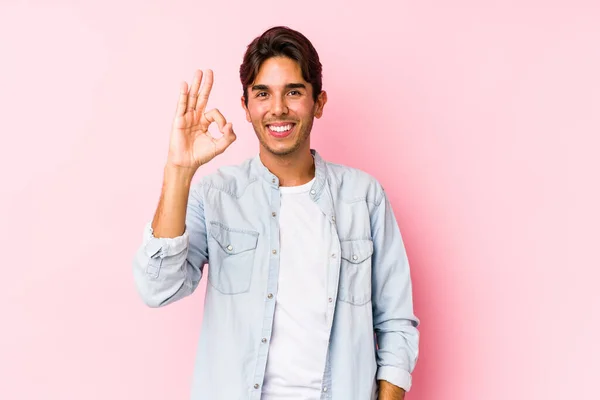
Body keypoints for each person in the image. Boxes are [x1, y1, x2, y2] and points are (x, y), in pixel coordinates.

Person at [132, 26, 419, 400]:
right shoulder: (217, 195)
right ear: (246, 106)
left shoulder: (363, 197)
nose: (278, 108)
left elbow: (397, 323)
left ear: (318, 102)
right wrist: (178, 171)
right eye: (263, 93)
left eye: (294, 92)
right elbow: (158, 288)